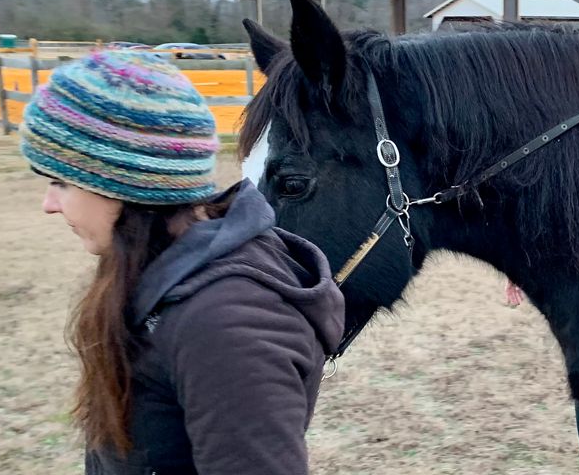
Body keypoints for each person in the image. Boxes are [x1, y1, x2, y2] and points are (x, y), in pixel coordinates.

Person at [20, 49, 344, 475]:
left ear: (125, 182)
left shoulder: (223, 323)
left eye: (60, 182)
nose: (48, 204)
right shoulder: (153, 266)